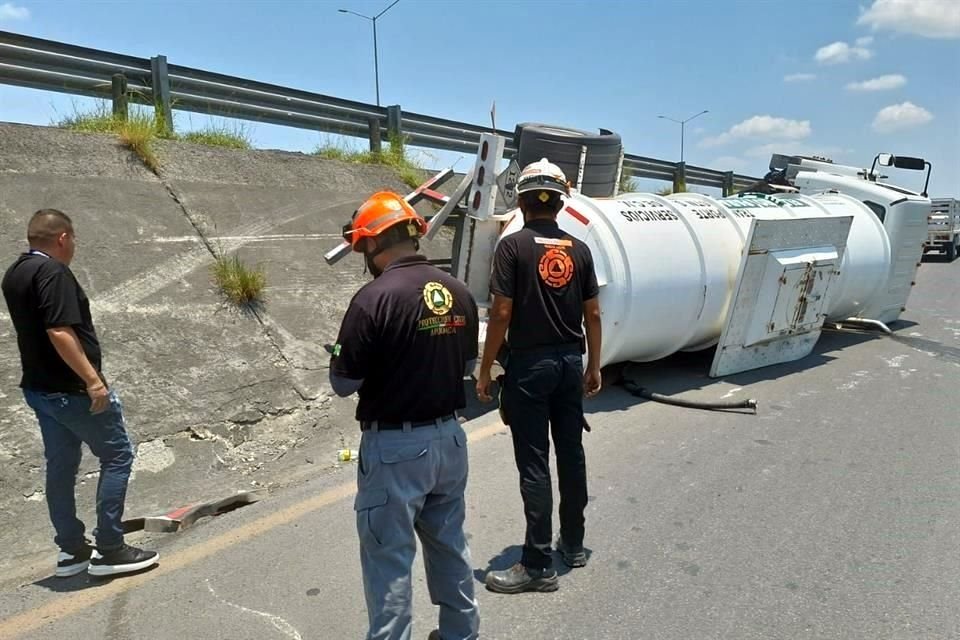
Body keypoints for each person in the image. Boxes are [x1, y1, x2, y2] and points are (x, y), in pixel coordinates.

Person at [329, 192, 480, 640]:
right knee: (449, 543)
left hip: (396, 449)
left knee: (389, 560)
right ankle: (460, 632)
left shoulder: (372, 299)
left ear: (373, 245)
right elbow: (467, 366)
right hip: (450, 441)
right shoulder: (458, 291)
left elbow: (343, 383)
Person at [1, 209, 159, 578]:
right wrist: (92, 380)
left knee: (61, 467)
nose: (73, 247)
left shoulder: (15, 272)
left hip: (40, 389)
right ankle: (109, 549)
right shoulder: (53, 272)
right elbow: (58, 330)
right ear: (63, 238)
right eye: (73, 240)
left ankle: (72, 552)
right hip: (72, 391)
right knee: (117, 456)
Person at [476, 158, 603, 594]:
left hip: (530, 367)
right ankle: (573, 544)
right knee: (571, 453)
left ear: (523, 200)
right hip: (570, 363)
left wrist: (485, 367)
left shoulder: (512, 248)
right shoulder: (580, 250)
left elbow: (502, 312)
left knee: (534, 464)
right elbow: (594, 314)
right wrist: (594, 365)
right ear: (560, 204)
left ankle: (536, 565)